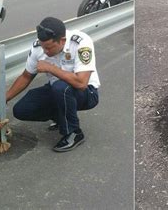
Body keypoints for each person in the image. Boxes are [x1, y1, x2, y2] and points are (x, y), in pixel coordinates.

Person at [6, 17, 100, 152]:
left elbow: (81, 83)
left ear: (62, 41)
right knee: (21, 110)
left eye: (49, 48)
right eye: (43, 47)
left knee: (61, 87)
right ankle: (60, 117)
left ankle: (74, 133)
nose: (45, 51)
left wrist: (50, 68)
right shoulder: (39, 47)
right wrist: (5, 97)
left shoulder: (80, 42)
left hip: (87, 93)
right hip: (57, 91)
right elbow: (26, 76)